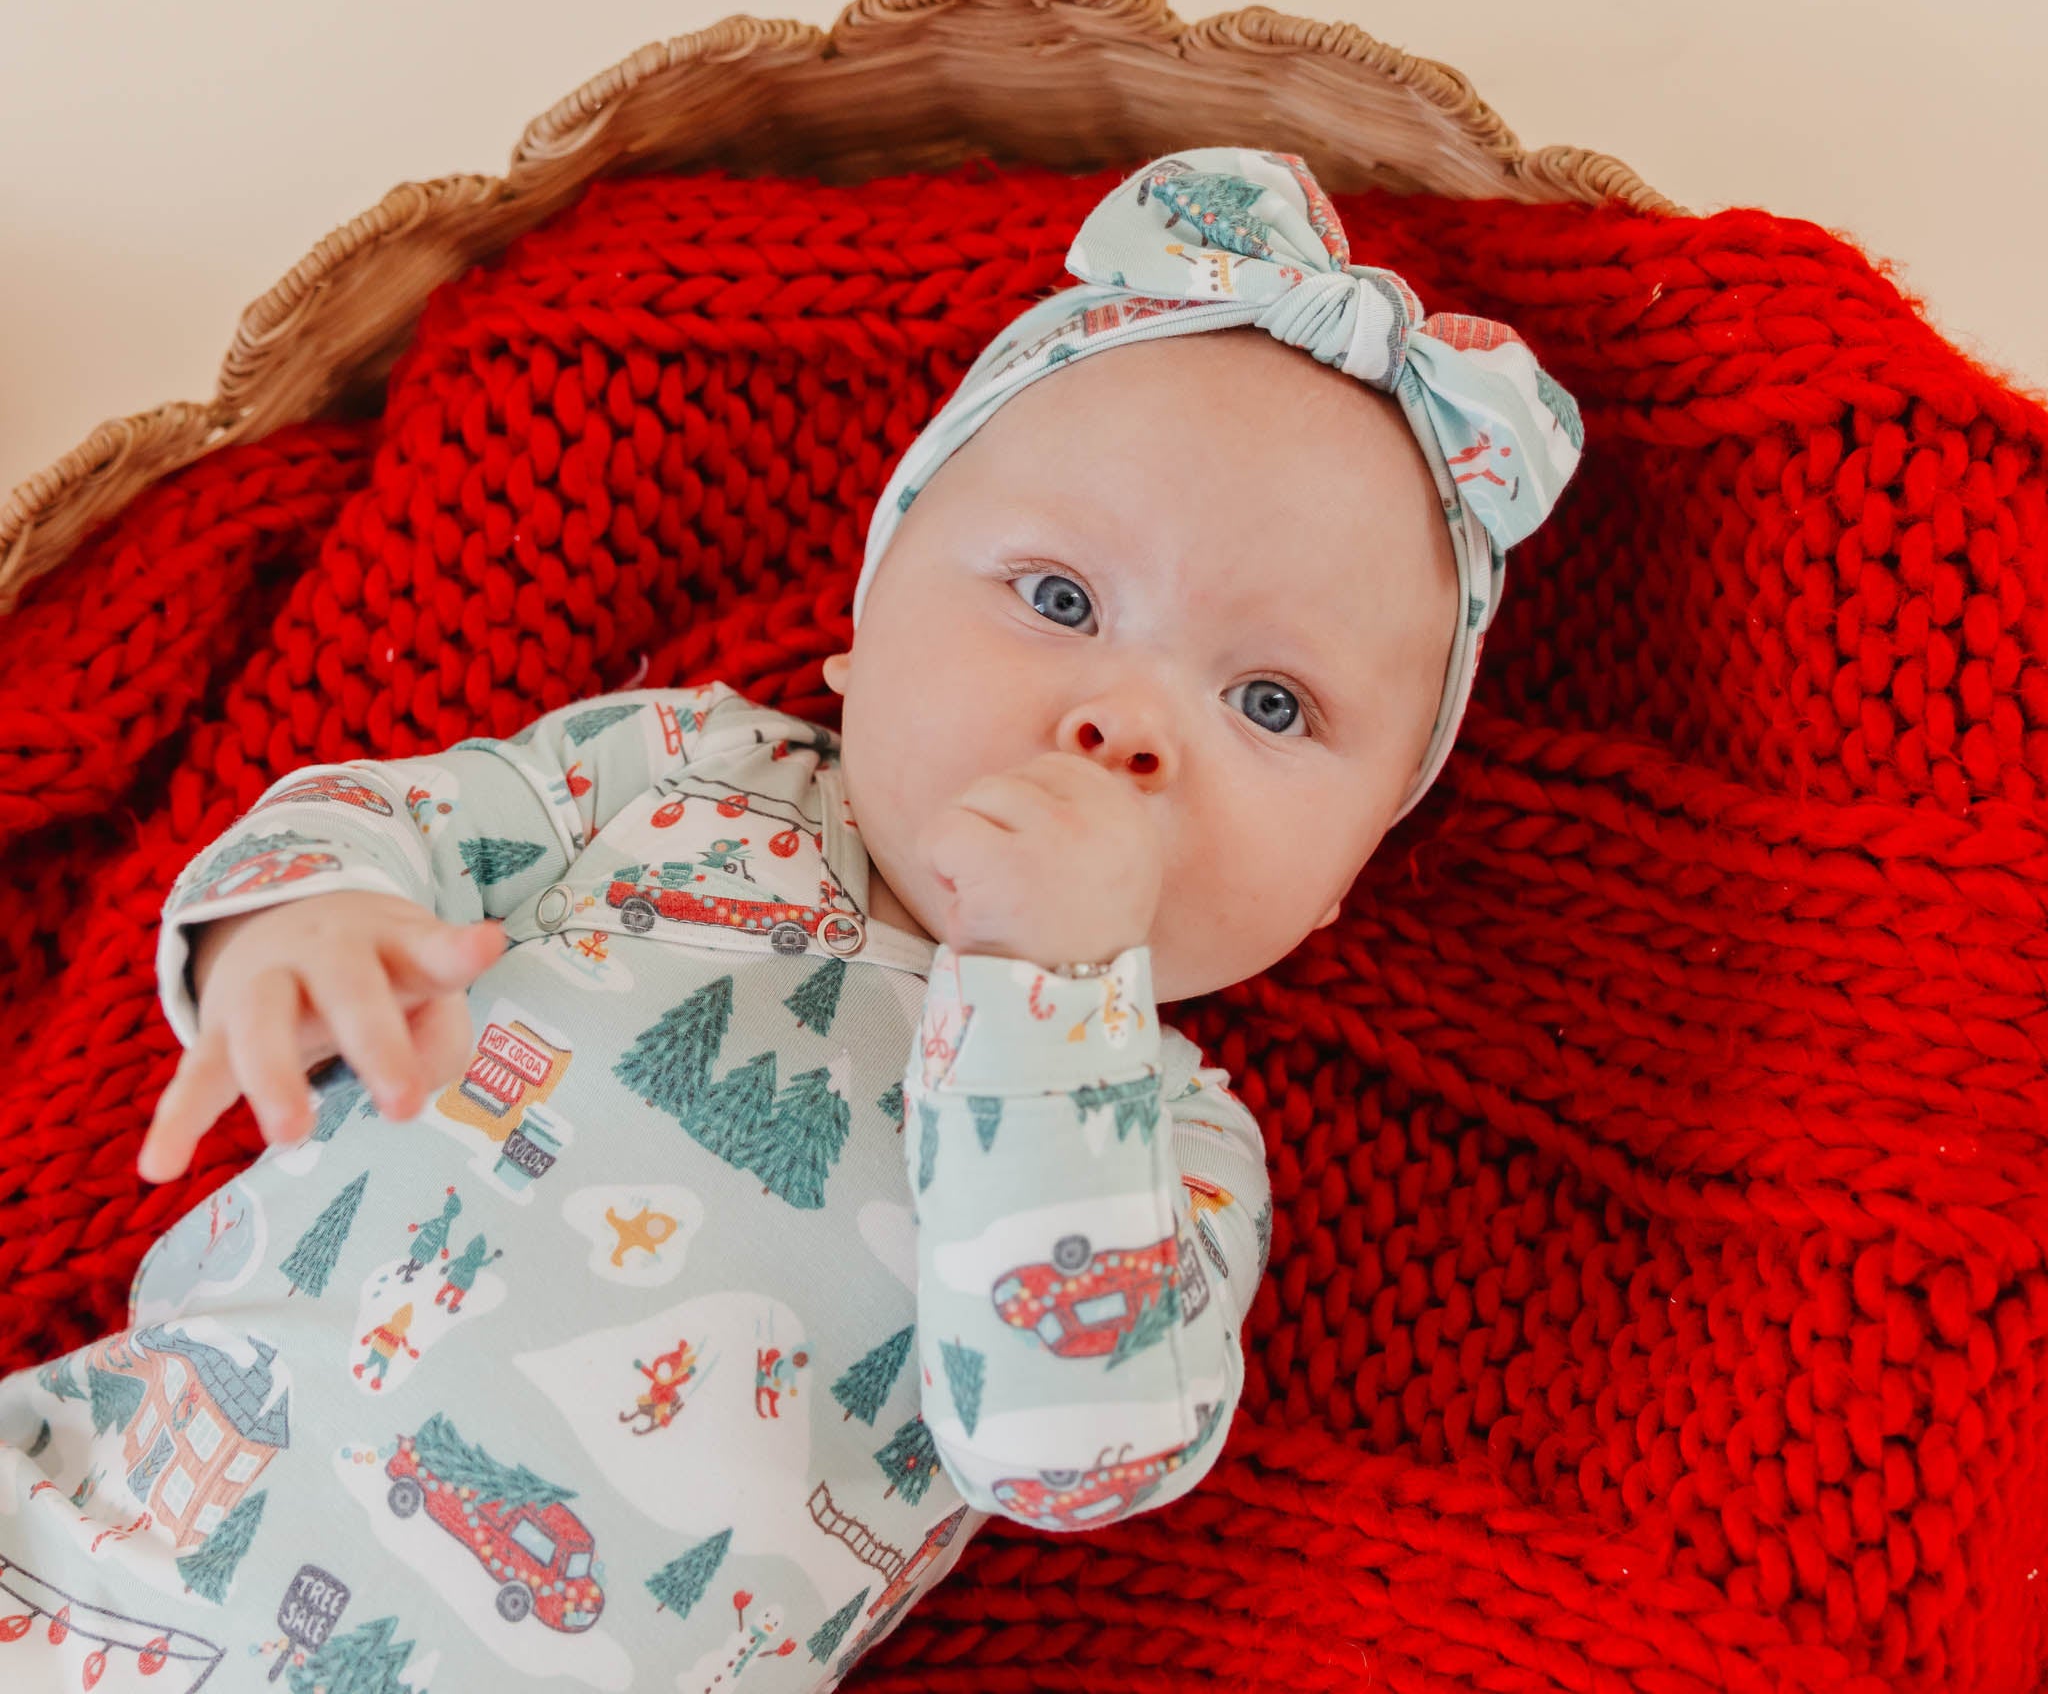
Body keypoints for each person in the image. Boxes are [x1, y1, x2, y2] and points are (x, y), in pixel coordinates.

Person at [0, 148, 1581, 1691]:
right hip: (94, 1536)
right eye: (1058, 600)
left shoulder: (1172, 1153)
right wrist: (299, 927)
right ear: (869, 616)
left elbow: (1073, 1450)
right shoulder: (680, 769)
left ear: (1347, 875)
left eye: (1271, 702)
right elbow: (387, 817)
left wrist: (1051, 989)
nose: (1124, 723)